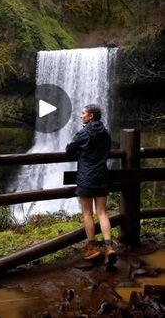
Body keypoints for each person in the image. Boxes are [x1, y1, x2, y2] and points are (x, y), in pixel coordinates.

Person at [66, 104, 117, 266]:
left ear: (91, 116)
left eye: (83, 113)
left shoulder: (84, 133)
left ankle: (92, 247)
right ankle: (109, 247)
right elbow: (107, 151)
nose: (81, 116)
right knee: (102, 212)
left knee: (87, 213)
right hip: (102, 176)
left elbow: (69, 150)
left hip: (86, 178)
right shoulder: (106, 134)